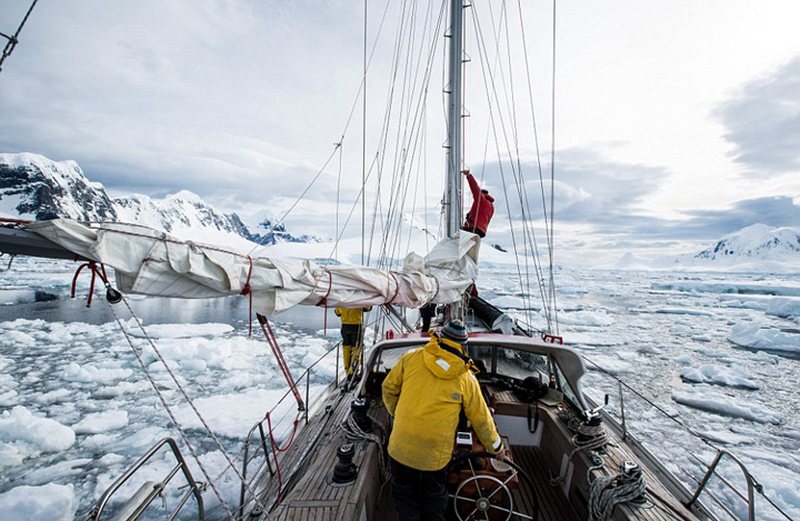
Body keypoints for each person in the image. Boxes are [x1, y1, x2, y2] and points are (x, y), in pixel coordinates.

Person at [382, 319, 506, 520]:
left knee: (404, 497)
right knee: (434, 498)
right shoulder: (466, 378)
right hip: (434, 457)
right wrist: (497, 449)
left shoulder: (411, 358)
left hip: (400, 449)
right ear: (463, 345)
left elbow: (388, 389)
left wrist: (398, 414)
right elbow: (481, 420)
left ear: (439, 338)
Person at [334, 306, 372, 377]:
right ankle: (353, 371)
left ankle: (347, 370)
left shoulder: (342, 301)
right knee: (357, 348)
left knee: (346, 347)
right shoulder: (358, 299)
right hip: (356, 325)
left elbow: (337, 312)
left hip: (345, 326)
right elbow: (368, 308)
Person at [461, 169, 495, 238]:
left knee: (456, 234)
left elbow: (474, 187)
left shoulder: (481, 199)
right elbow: (481, 214)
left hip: (473, 228)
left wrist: (468, 176)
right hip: (482, 232)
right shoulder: (491, 206)